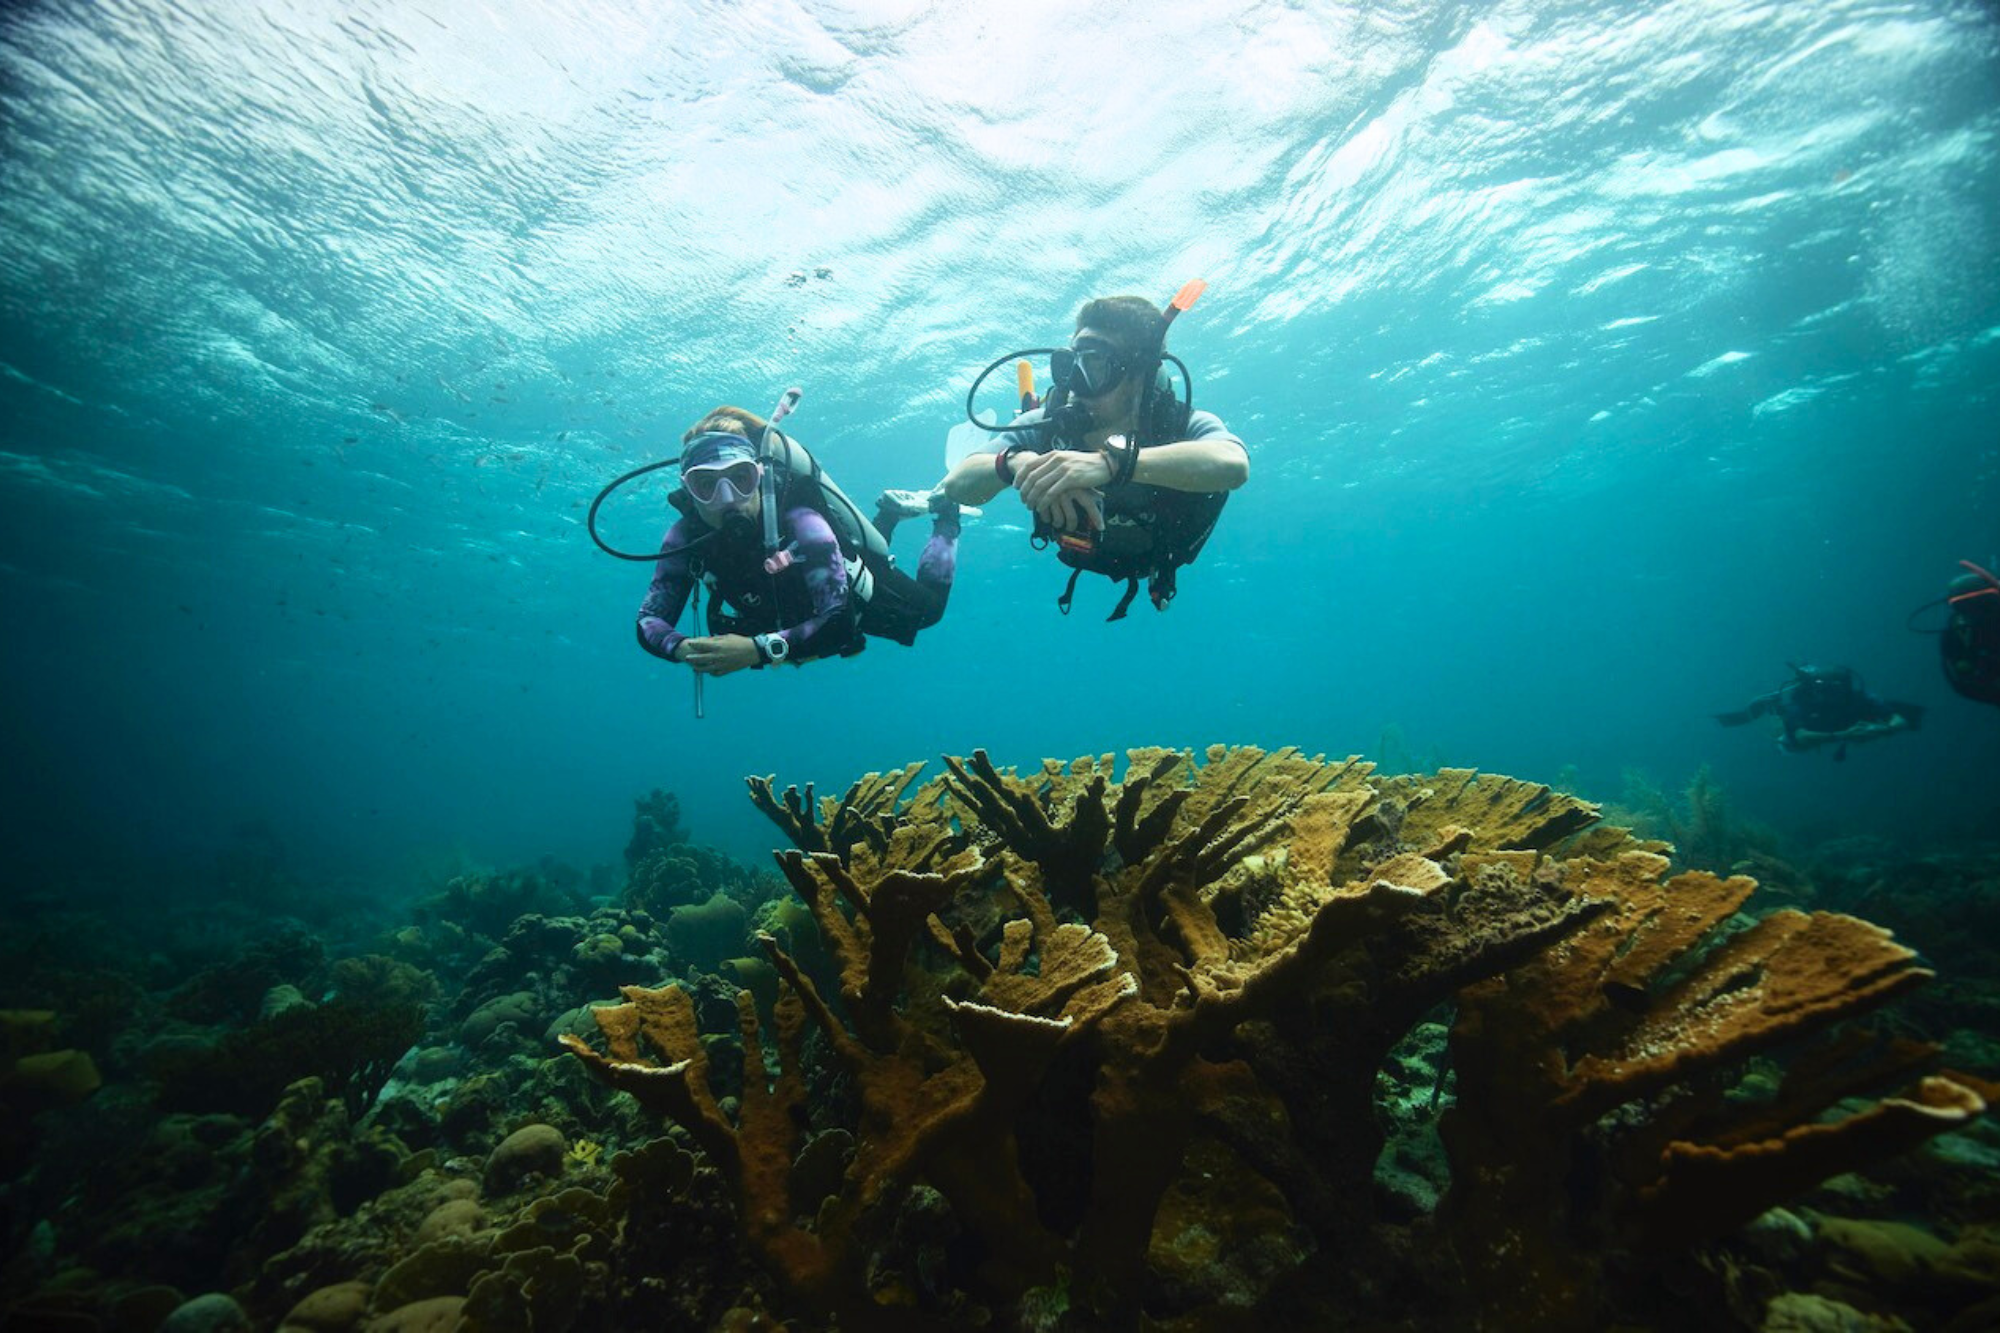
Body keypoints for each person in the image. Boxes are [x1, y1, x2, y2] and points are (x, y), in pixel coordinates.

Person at [931, 293, 1249, 619]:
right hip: (1079, 550)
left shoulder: (1178, 424)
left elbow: (1233, 464)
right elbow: (956, 484)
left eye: (1095, 366)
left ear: (1141, 376)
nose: (1076, 386)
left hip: (1156, 554)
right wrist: (1017, 463)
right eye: (1071, 366)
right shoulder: (1048, 424)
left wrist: (1111, 464)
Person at [636, 406, 958, 675]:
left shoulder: (802, 522)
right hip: (795, 615)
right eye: (706, 485)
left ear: (759, 476)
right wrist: (681, 648)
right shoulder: (685, 537)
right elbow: (649, 620)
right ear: (688, 490)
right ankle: (888, 513)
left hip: (848, 593)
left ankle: (947, 513)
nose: (728, 499)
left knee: (929, 612)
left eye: (740, 479)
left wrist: (756, 650)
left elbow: (839, 621)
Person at [1714, 664, 1924, 761]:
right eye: (1826, 689)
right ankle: (1771, 709)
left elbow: (1900, 719)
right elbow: (1800, 736)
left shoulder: (1858, 698)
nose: (1832, 694)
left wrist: (1881, 729)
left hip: (1849, 727)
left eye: (1837, 688)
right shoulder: (1805, 704)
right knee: (1785, 745)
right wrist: (1843, 735)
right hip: (1811, 730)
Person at [1940, 560, 2000, 706]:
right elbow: (1961, 684)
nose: (1979, 614)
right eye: (1967, 607)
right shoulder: (1957, 635)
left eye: (1985, 604)